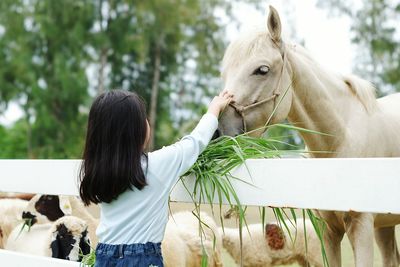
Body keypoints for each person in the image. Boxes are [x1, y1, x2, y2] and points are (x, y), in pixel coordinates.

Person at [79, 89, 233, 267]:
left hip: (105, 256)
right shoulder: (156, 165)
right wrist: (214, 109)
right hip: (141, 259)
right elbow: (195, 142)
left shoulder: (99, 172)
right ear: (134, 131)